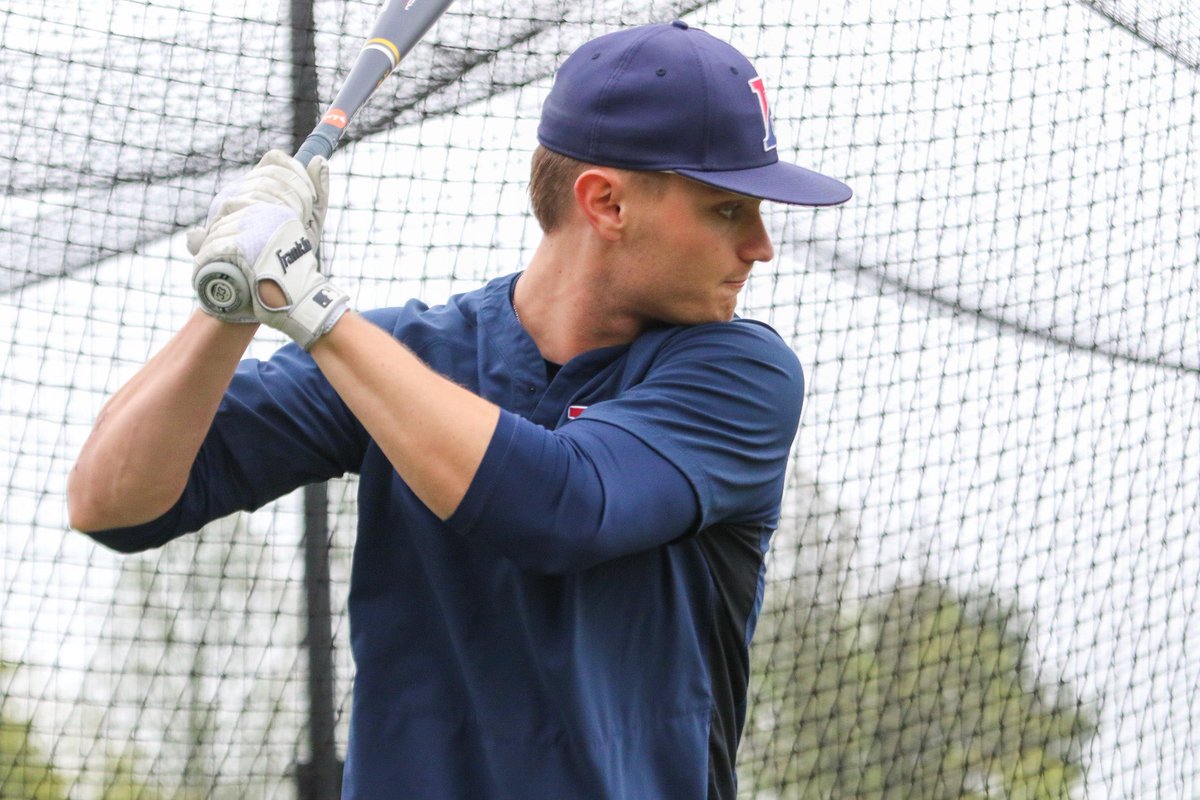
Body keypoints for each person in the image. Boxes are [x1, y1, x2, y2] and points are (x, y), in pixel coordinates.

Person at [68, 19, 851, 799]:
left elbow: (560, 507)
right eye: (726, 209)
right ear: (606, 203)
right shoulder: (406, 352)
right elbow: (113, 502)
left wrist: (312, 311)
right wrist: (235, 294)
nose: (761, 244)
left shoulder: (740, 374)